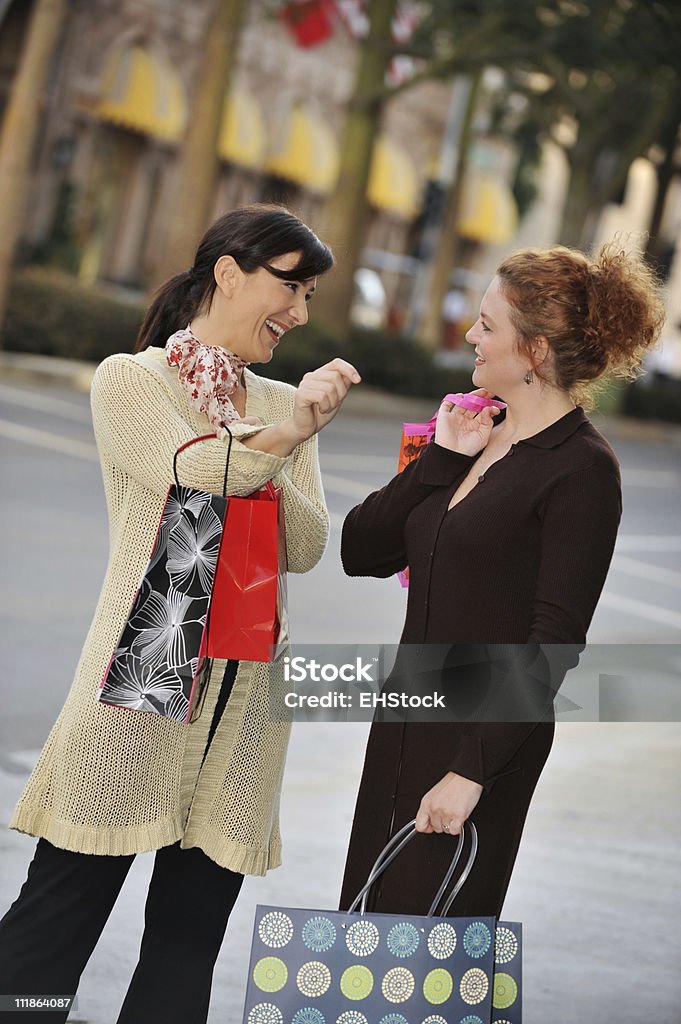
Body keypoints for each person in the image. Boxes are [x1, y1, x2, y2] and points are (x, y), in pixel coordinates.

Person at [0, 204, 360, 1023]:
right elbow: (190, 473)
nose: (300, 314)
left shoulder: (278, 398)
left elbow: (303, 543)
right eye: (290, 287)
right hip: (143, 685)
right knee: (52, 931)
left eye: (309, 295)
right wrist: (282, 437)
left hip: (245, 699)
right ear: (228, 273)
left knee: (185, 948)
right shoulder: (134, 380)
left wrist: (286, 435)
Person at [339, 242, 665, 919]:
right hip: (403, 722)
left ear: (536, 351)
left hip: (480, 745)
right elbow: (361, 549)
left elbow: (552, 641)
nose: (469, 335)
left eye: (487, 325)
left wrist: (469, 772)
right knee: (367, 946)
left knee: (429, 961)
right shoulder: (468, 428)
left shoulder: (580, 470)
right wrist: (438, 461)